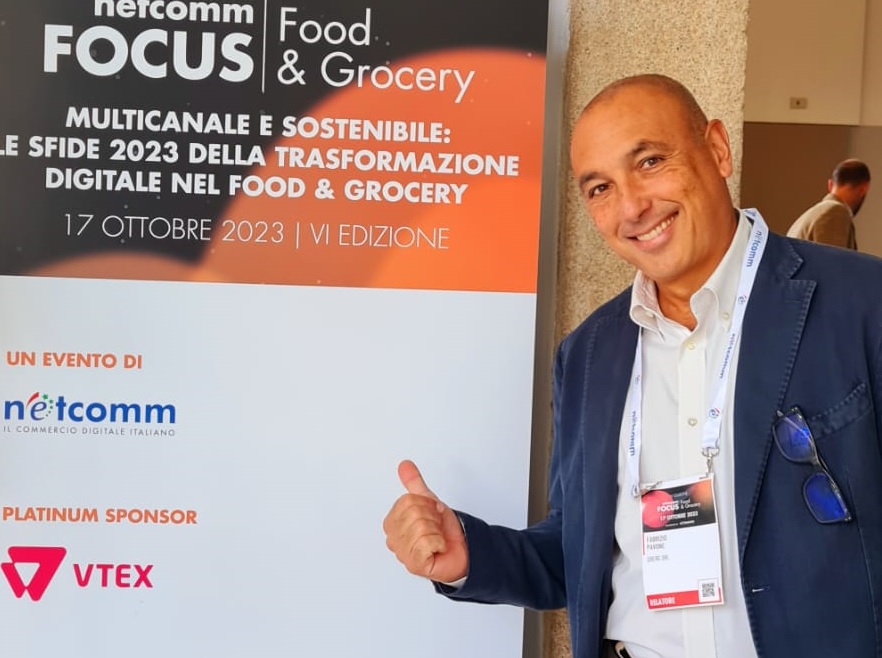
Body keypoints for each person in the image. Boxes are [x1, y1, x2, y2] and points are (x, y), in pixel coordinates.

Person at [383, 74, 882, 658]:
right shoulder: (588, 354)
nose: (632, 207)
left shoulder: (862, 302)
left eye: (649, 162)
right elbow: (576, 549)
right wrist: (469, 553)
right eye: (600, 188)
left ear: (717, 149)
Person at [786, 158, 871, 249]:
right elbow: (832, 257)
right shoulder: (836, 212)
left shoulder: (806, 217)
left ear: (830, 184)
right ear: (863, 188)